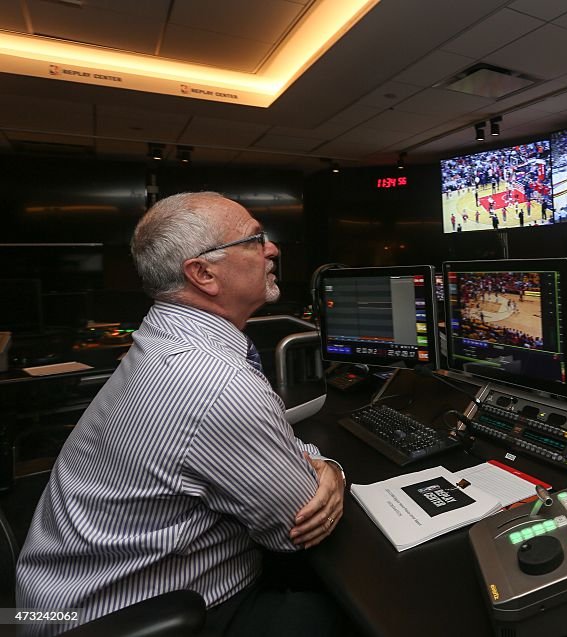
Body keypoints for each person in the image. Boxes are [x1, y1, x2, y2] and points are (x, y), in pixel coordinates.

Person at [17, 192, 345, 637]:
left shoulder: (163, 337)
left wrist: (313, 462)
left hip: (55, 596)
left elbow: (249, 445)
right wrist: (333, 473)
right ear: (204, 273)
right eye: (254, 239)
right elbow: (296, 526)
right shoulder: (216, 383)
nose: (272, 249)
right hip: (122, 616)